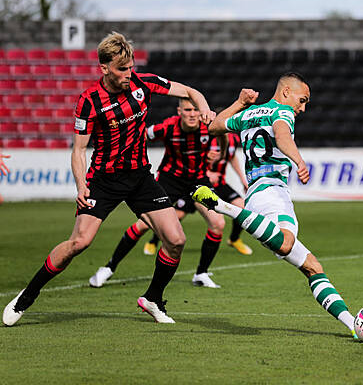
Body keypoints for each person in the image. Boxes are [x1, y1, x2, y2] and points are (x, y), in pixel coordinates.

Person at [3, 32, 216, 326]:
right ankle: (27, 295)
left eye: (131, 67)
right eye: (122, 69)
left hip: (140, 177)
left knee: (176, 239)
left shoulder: (143, 83)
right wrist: (81, 185)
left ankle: (153, 298)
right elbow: (78, 150)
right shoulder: (89, 101)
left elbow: (191, 91)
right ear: (104, 68)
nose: (129, 74)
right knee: (79, 242)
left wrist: (203, 107)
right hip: (103, 180)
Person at [191, 72, 357, 338]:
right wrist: (298, 160)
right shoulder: (283, 113)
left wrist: (239, 102)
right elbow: (281, 135)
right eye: (302, 100)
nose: (302, 108)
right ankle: (224, 206)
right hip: (271, 194)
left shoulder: (250, 113)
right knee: (286, 242)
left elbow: (214, 126)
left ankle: (353, 325)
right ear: (286, 92)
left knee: (313, 267)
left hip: (258, 194)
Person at [88, 91, 257, 290]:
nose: (193, 114)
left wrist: (217, 156)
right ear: (180, 112)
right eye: (187, 110)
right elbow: (140, 136)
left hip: (197, 180)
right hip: (169, 181)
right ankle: (109, 267)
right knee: (142, 226)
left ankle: (201, 273)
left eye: (195, 109)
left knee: (217, 223)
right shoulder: (168, 126)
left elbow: (224, 137)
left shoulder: (206, 125)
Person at [142, 132, 253, 257]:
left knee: (243, 208)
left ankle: (234, 239)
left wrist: (243, 180)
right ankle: (154, 241)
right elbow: (192, 158)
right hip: (197, 182)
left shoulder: (233, 138)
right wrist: (208, 173)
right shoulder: (204, 136)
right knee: (175, 216)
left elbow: (232, 157)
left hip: (220, 184)